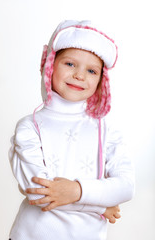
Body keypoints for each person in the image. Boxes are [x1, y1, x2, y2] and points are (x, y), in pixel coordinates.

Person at [9, 20, 135, 240]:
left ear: (100, 81)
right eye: (69, 64)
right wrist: (98, 207)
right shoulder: (30, 126)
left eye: (91, 70)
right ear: (49, 65)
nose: (79, 75)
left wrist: (77, 190)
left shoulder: (106, 131)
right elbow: (41, 192)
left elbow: (126, 187)